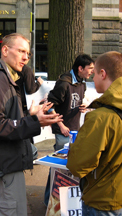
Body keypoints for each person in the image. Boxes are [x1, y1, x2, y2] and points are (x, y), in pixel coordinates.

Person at [0, 33, 63, 216]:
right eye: (21, 51)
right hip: (3, 166)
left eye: (27, 54)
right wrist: (35, 121)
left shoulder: (4, 77)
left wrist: (29, 116)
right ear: (5, 50)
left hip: (4, 163)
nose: (25, 57)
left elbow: (2, 120)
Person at [66, 51, 122, 216]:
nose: (92, 79)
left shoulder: (100, 117)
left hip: (103, 201)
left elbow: (77, 165)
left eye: (94, 73)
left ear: (103, 74)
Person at [43, 53, 94, 206]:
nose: (92, 71)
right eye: (90, 68)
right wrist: (61, 125)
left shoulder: (82, 83)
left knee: (69, 167)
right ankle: (49, 202)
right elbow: (49, 105)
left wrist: (84, 106)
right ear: (80, 68)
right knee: (58, 168)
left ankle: (63, 203)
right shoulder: (63, 83)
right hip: (63, 131)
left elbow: (79, 100)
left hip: (75, 130)